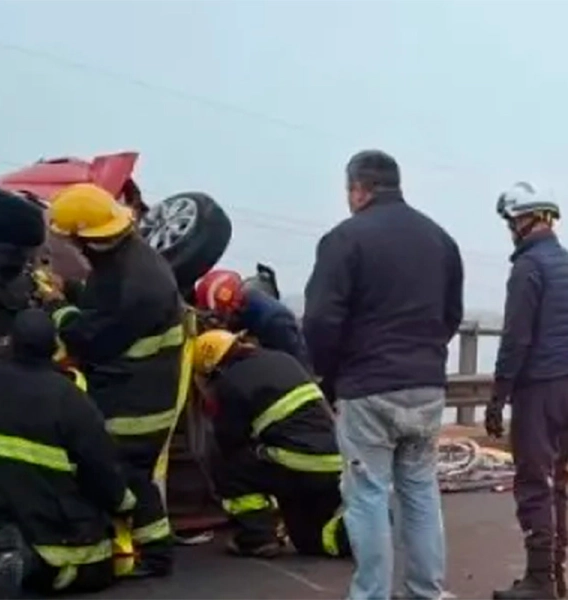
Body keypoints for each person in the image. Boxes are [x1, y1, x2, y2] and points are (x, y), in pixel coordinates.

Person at [303, 150, 464, 600]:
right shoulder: (440, 240)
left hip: (368, 388)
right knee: (419, 491)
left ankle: (371, 594)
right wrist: (424, 358)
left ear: (359, 189)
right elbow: (452, 314)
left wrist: (331, 379)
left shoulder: (344, 239)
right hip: (427, 387)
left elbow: (319, 321)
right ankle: (425, 592)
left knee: (368, 495)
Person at [43, 183, 188, 577]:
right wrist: (71, 290)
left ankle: (153, 556)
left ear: (86, 238)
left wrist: (57, 308)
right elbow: (100, 303)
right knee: (127, 473)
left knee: (122, 474)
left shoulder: (135, 283)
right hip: (138, 388)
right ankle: (150, 552)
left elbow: (91, 339)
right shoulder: (128, 260)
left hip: (137, 400)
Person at [0, 308, 136, 599]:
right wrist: (124, 504)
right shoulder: (69, 398)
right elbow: (101, 468)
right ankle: (31, 567)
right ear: (54, 348)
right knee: (97, 569)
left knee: (1, 518)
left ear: (12, 343)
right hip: (55, 522)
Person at [191, 328, 350, 560]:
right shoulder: (281, 358)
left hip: (298, 464)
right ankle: (358, 527)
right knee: (308, 542)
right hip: (334, 461)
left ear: (212, 369)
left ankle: (257, 537)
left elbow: (230, 441)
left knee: (228, 465)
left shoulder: (229, 384)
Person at [485, 182, 568, 600]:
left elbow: (516, 339)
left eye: (510, 222)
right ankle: (557, 573)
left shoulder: (528, 269)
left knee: (535, 481)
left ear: (523, 220)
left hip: (541, 389)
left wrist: (499, 397)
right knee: (562, 482)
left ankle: (540, 581)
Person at [194, 268, 310, 368]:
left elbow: (297, 365)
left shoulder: (275, 322)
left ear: (232, 309)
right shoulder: (238, 308)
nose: (215, 325)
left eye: (217, 318)